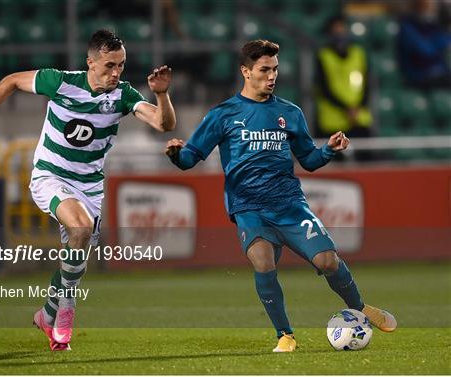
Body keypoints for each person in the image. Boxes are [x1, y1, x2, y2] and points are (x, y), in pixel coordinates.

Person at [164, 40, 396, 352]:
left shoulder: (290, 113)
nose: (272, 75)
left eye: (274, 69)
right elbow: (190, 158)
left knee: (327, 261)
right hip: (248, 206)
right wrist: (176, 154)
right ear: (246, 71)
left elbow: (309, 160)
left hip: (289, 203)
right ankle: (285, 335)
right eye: (264, 70)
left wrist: (328, 150)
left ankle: (361, 308)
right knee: (263, 262)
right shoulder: (223, 114)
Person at [0, 29, 176, 351]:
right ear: (90, 63)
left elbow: (163, 125)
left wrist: (161, 95)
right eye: (109, 65)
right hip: (50, 176)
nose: (116, 72)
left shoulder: (123, 95)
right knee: (79, 228)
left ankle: (47, 314)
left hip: (90, 187)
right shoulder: (60, 82)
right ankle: (67, 310)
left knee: (75, 257)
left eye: (121, 65)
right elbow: (10, 80)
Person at [315, 15, 373, 144]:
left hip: (359, 118)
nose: (340, 33)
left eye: (342, 29)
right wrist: (346, 109)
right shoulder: (324, 56)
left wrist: (358, 107)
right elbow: (323, 88)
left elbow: (367, 84)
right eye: (336, 30)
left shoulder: (358, 53)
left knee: (365, 159)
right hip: (332, 120)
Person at [397, 0, 451, 89]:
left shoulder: (434, 25)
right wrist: (440, 43)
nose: (430, 10)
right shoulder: (407, 27)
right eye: (426, 6)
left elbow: (447, 40)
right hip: (417, 75)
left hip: (439, 73)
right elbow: (426, 51)